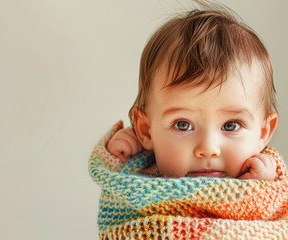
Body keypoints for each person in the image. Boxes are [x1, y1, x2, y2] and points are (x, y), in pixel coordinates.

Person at [106, 9, 279, 181]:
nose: (208, 148)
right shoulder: (136, 181)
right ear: (146, 131)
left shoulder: (265, 187)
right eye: (182, 125)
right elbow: (112, 185)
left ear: (263, 133)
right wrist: (117, 158)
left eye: (231, 126)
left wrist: (260, 188)